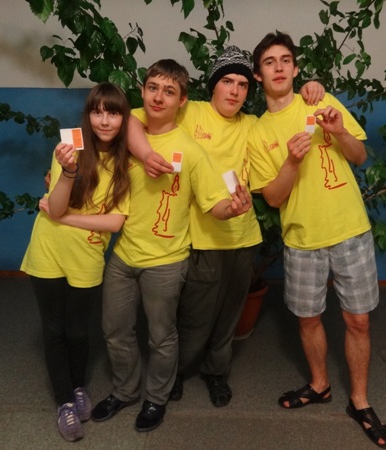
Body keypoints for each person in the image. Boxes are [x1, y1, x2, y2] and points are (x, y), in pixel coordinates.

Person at [128, 46, 325, 408]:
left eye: (242, 84)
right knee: (194, 316)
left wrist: (313, 89)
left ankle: (216, 373)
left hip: (243, 236)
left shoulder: (252, 125)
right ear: (213, 86)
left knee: (229, 316)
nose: (234, 91)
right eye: (226, 82)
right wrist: (145, 155)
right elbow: (132, 119)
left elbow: (293, 121)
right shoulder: (190, 111)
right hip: (201, 237)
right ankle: (177, 372)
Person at [247, 32, 386, 449]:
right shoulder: (257, 133)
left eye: (285, 60)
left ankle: (360, 401)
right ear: (258, 76)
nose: (279, 67)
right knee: (308, 318)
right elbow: (273, 198)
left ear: (295, 69)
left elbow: (359, 156)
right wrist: (293, 161)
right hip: (302, 237)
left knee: (358, 320)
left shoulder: (320, 101)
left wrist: (340, 132)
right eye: (269, 62)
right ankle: (319, 384)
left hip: (350, 228)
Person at [90, 59, 252, 433]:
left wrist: (232, 209)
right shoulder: (129, 128)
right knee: (115, 330)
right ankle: (124, 390)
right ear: (143, 92)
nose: (158, 97)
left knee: (161, 337)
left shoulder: (191, 150)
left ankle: (156, 399)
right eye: (152, 88)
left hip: (166, 261)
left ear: (182, 101)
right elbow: (113, 131)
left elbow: (215, 204)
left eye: (169, 91)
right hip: (124, 255)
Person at [20, 82, 131, 442]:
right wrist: (67, 173)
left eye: (112, 113)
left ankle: (79, 386)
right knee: (54, 330)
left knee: (79, 331)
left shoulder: (125, 162)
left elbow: (114, 222)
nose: (104, 120)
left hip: (87, 257)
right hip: (48, 251)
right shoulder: (69, 150)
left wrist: (66, 217)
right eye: (97, 112)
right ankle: (65, 401)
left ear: (123, 119)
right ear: (88, 115)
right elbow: (54, 207)